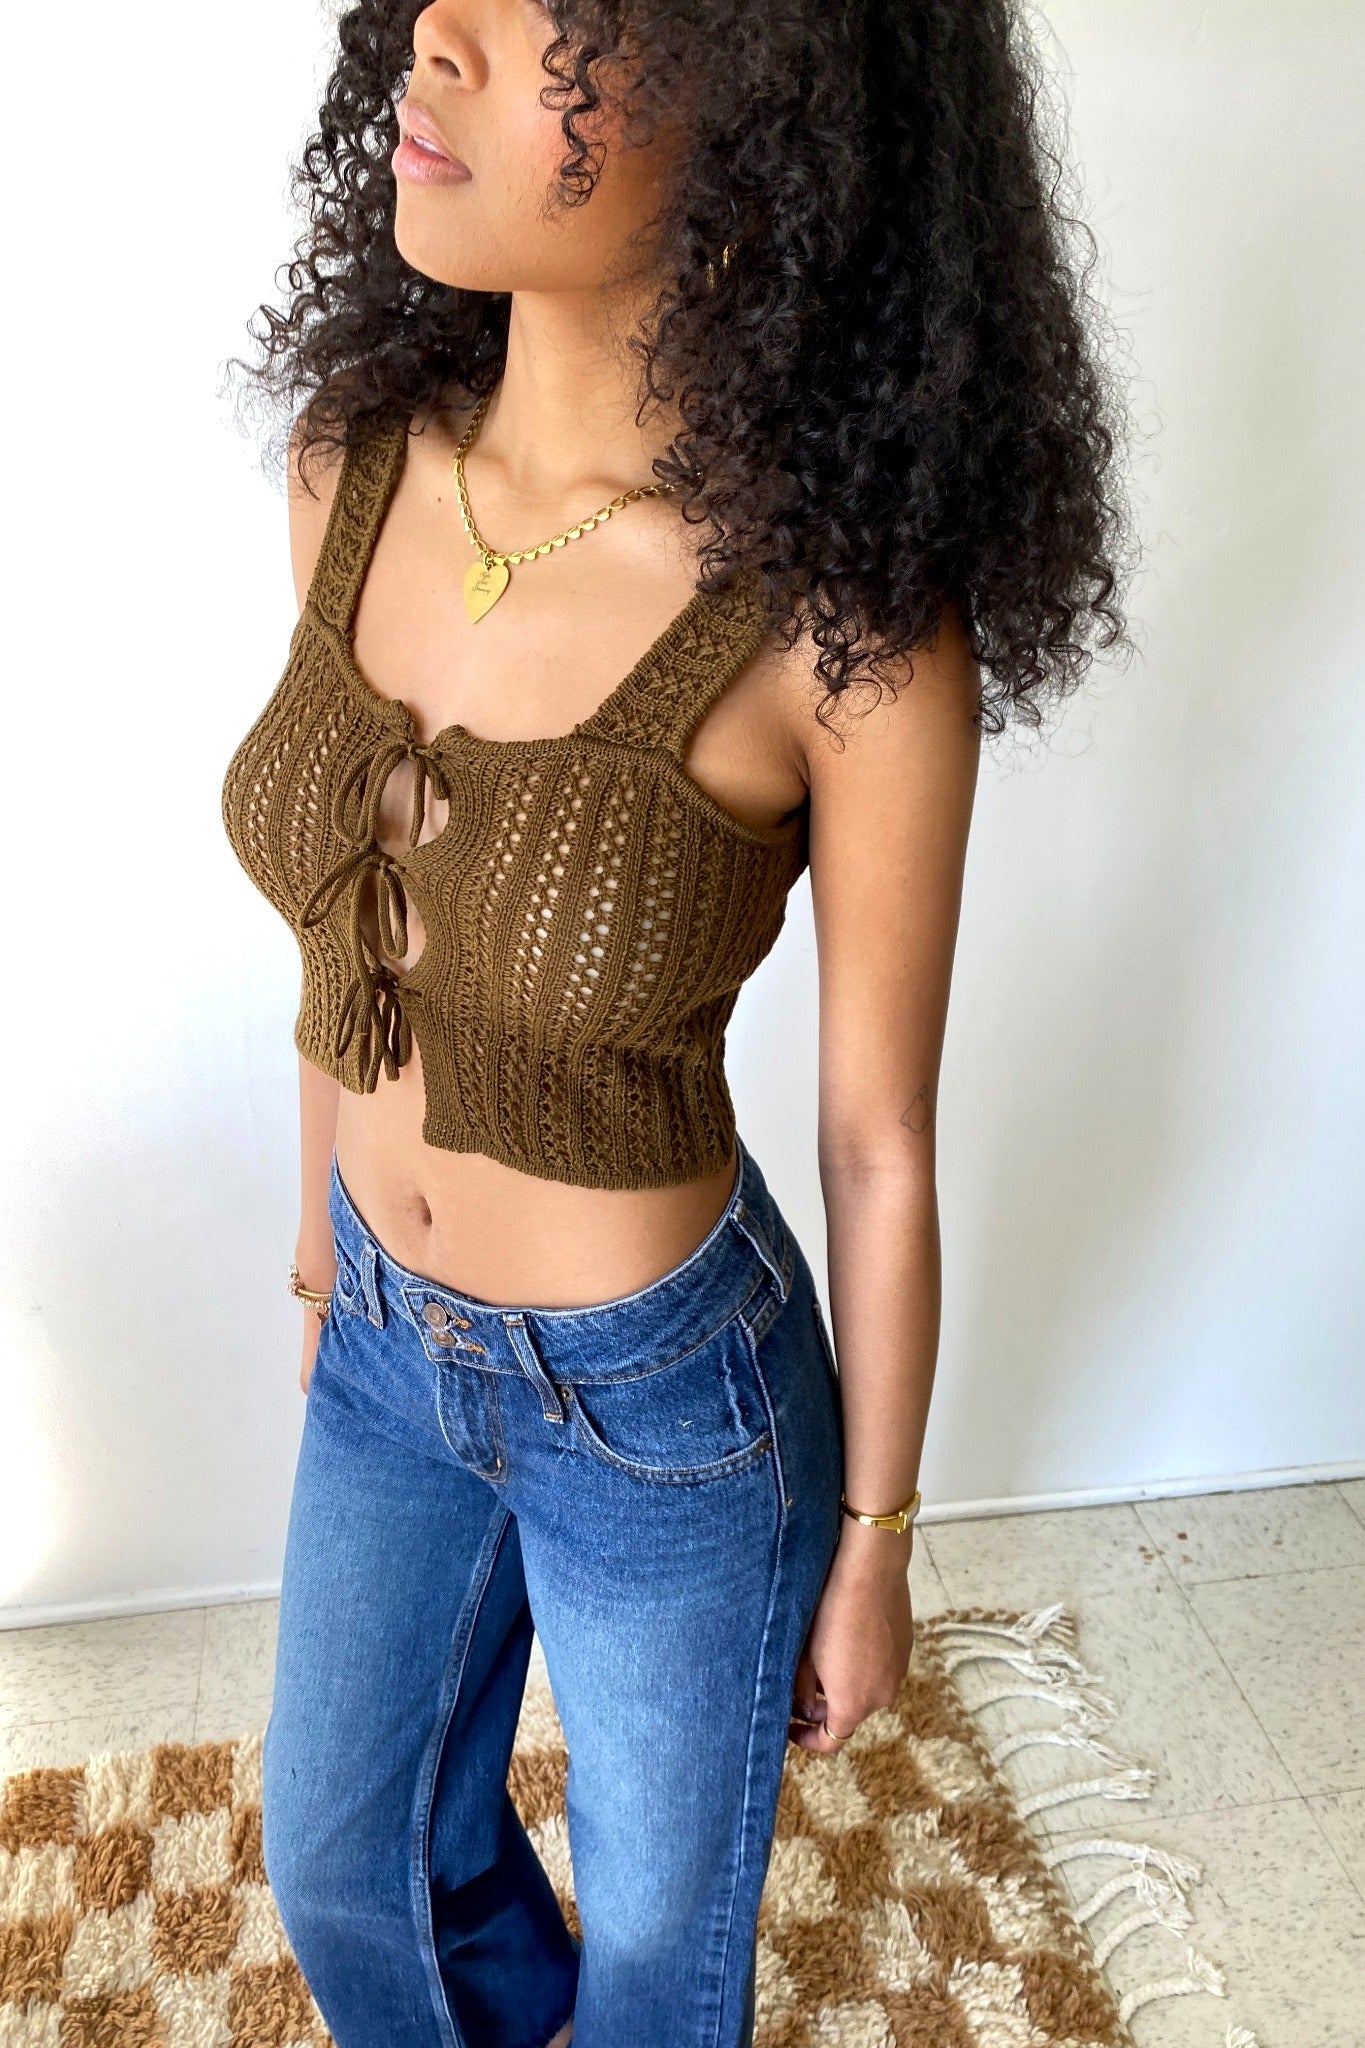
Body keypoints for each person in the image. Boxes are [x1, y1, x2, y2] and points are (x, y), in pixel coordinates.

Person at [220, 2, 1128, 2042]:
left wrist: (875, 1542)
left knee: (657, 1963)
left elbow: (878, 1138)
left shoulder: (840, 629)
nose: (434, 33)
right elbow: (347, 946)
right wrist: (321, 1243)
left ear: (758, 112)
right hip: (384, 1341)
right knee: (349, 1861)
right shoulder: (348, 470)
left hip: (666, 1411)